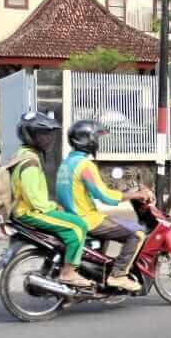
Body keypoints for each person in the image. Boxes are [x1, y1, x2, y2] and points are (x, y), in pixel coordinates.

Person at [56, 120, 152, 293]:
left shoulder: (67, 163)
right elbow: (105, 196)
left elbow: (87, 190)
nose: (97, 142)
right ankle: (119, 275)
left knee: (114, 222)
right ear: (88, 140)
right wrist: (135, 195)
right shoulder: (85, 165)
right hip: (87, 219)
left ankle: (99, 274)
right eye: (96, 138)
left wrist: (123, 190)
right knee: (137, 233)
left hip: (71, 215)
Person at [10, 111, 92, 289]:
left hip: (25, 209)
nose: (48, 139)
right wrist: (53, 206)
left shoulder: (24, 153)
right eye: (42, 134)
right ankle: (68, 273)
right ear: (30, 136)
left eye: (49, 134)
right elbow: (35, 200)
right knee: (78, 226)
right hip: (29, 212)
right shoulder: (30, 162)